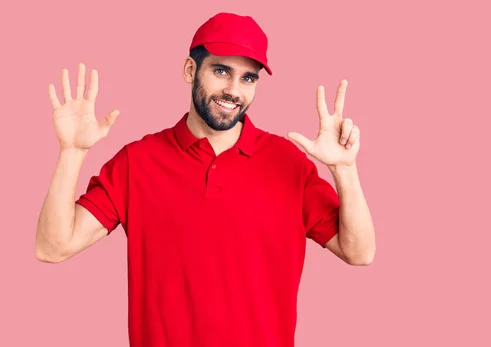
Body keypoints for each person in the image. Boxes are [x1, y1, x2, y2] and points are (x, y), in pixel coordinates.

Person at [35, 11, 376, 347]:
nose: (233, 90)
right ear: (190, 70)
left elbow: (359, 252)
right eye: (221, 70)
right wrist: (71, 152)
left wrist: (344, 170)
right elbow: (53, 247)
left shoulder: (289, 163)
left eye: (248, 78)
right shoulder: (137, 162)